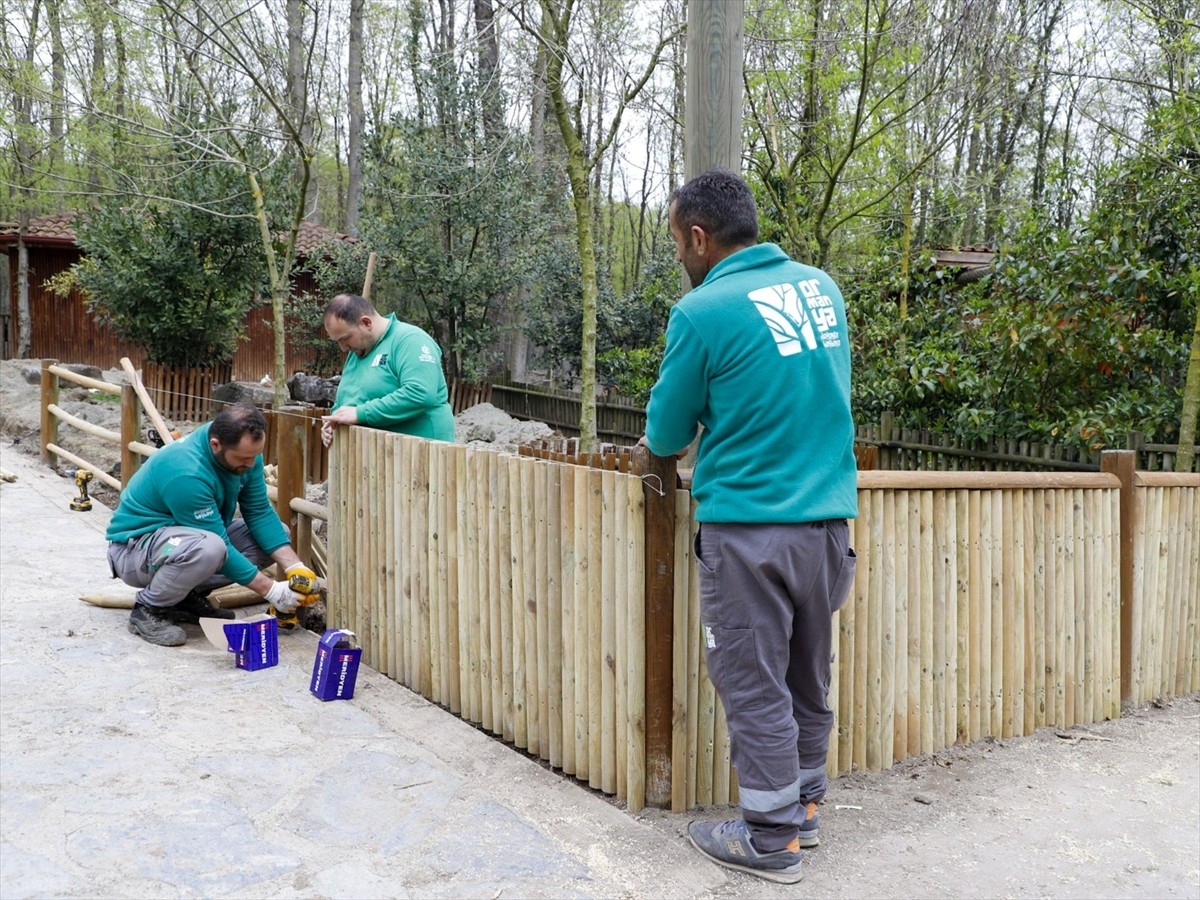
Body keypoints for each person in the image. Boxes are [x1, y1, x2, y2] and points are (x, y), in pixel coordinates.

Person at [642, 169, 858, 884]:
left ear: (700, 238)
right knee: (806, 671)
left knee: (751, 681)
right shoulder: (821, 288)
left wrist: (661, 453)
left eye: (678, 242)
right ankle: (804, 811)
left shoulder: (702, 312)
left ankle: (769, 838)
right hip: (827, 523)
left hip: (750, 529)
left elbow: (667, 431)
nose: (680, 257)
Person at [106, 402, 315, 646]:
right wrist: (272, 591)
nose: (251, 464)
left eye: (255, 456)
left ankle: (182, 598)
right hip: (136, 551)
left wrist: (295, 567)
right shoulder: (186, 471)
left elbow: (258, 511)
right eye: (243, 458)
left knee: (277, 533)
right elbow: (220, 545)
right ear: (216, 445)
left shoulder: (242, 453)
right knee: (210, 548)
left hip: (182, 542)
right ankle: (149, 608)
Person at [320, 293, 455, 448]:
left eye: (345, 339)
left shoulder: (410, 340)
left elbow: (420, 392)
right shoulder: (357, 351)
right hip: (382, 456)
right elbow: (346, 398)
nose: (343, 348)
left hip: (423, 452)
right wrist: (334, 421)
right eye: (337, 341)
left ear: (366, 323)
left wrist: (361, 413)